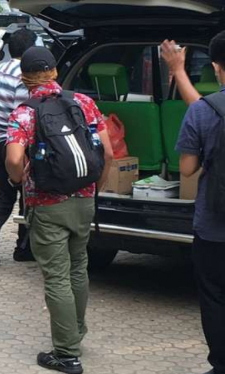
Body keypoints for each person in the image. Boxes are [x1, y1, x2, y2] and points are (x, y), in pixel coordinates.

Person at [6, 47, 113, 374]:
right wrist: (98, 189)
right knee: (78, 267)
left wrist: (17, 179)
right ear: (54, 71)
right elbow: (108, 152)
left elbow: (12, 158)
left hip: (47, 204)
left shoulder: (25, 112)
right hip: (84, 201)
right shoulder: (84, 102)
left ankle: (66, 354)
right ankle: (76, 332)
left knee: (56, 276)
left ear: (24, 77)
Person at [166, 32, 225, 374]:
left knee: (215, 298)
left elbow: (187, 168)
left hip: (213, 229)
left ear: (216, 68)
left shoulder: (202, 113)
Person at [0, 28, 37, 265]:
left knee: (4, 195)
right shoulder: (25, 74)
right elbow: (24, 110)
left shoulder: (1, 68)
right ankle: (24, 249)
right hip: (17, 142)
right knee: (28, 196)